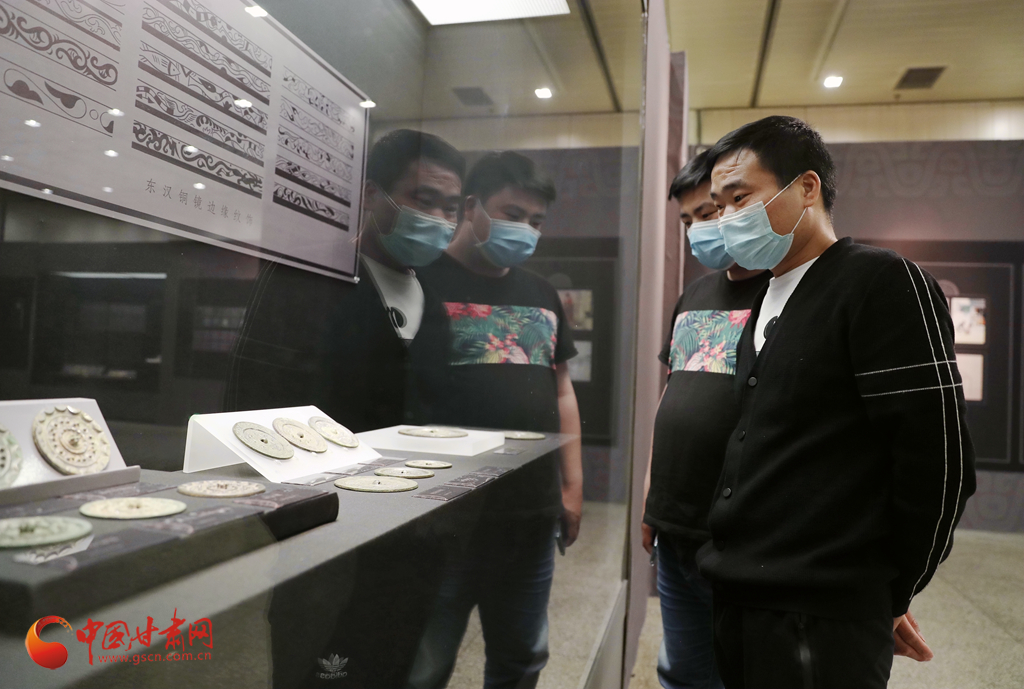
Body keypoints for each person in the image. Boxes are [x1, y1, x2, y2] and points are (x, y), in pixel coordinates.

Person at [695, 115, 976, 688]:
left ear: (806, 187)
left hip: (824, 610)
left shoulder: (881, 282)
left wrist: (889, 593)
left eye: (740, 198)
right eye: (718, 206)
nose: (726, 218)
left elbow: (939, 461)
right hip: (743, 596)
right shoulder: (765, 299)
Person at [408, 151, 583, 689]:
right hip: (441, 514)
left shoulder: (542, 294)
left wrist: (572, 486)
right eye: (512, 214)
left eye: (536, 220)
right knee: (423, 664)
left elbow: (562, 389)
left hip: (528, 513)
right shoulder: (419, 283)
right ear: (471, 206)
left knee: (522, 657)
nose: (525, 229)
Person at [225, 129, 464, 431]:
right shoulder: (305, 277)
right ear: (371, 194)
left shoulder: (433, 303)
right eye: (424, 200)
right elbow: (254, 390)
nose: (439, 218)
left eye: (450, 208)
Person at [641, 150, 770, 689]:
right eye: (688, 219)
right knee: (682, 673)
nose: (698, 229)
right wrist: (651, 498)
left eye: (709, 212)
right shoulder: (693, 295)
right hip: (674, 528)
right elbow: (671, 396)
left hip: (743, 540)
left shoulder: (787, 294)